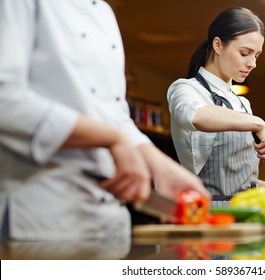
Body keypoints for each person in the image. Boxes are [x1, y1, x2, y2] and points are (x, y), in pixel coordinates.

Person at [0, 0, 209, 241]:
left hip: (106, 220)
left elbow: (114, 113)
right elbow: (5, 99)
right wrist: (111, 139)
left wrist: (160, 166)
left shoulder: (104, 12)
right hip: (42, 215)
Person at [167, 7, 265, 206]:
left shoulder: (242, 103)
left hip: (250, 212)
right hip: (211, 215)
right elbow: (198, 116)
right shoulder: (185, 89)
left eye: (256, 55)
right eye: (245, 53)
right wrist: (259, 124)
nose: (252, 63)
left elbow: (240, 183)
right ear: (218, 45)